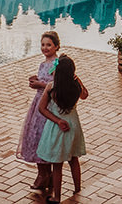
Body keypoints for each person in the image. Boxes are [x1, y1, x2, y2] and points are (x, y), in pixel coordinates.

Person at [36, 54, 88, 204]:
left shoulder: (51, 87)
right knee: (73, 159)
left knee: (57, 164)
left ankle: (57, 197)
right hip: (73, 125)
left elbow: (42, 108)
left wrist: (57, 120)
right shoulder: (76, 86)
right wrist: (77, 79)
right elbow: (85, 95)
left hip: (57, 127)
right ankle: (77, 188)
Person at [18, 31, 60, 190]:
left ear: (56, 46)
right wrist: (36, 79)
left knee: (43, 137)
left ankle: (45, 175)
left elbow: (55, 85)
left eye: (49, 45)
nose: (45, 48)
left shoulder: (56, 64)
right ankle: (43, 173)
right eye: (43, 44)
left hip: (48, 104)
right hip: (38, 103)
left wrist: (40, 85)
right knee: (35, 136)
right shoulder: (44, 63)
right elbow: (45, 80)